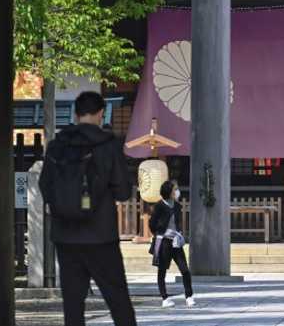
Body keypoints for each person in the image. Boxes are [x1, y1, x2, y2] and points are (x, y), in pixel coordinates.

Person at [38, 91, 137, 326]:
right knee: (118, 300)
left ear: (76, 113)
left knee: (73, 304)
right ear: (101, 113)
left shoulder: (56, 146)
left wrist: (62, 206)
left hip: (66, 236)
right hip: (101, 236)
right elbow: (123, 191)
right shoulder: (109, 144)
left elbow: (45, 185)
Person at [148, 179, 196, 308]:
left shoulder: (176, 205)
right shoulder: (159, 206)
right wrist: (160, 233)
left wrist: (179, 233)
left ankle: (189, 296)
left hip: (175, 242)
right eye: (175, 189)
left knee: (185, 270)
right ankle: (164, 298)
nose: (177, 191)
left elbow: (178, 223)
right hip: (163, 242)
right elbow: (152, 224)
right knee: (162, 271)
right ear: (168, 191)